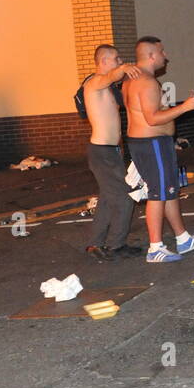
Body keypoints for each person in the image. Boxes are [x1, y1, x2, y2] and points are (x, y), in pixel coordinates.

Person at [122, 37, 194, 262]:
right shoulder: (146, 81)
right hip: (151, 143)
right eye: (162, 51)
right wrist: (185, 107)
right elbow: (152, 118)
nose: (166, 56)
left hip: (151, 142)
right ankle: (155, 248)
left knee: (168, 190)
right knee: (158, 194)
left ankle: (183, 238)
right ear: (152, 55)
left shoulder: (134, 80)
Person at [82, 45, 143, 261]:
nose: (119, 61)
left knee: (108, 199)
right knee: (126, 197)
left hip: (109, 151)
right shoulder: (94, 83)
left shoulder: (107, 88)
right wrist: (125, 68)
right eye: (116, 58)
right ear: (104, 60)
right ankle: (116, 245)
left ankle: (94, 244)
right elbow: (111, 75)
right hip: (103, 153)